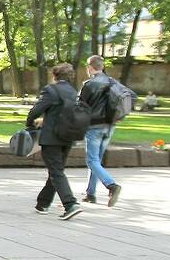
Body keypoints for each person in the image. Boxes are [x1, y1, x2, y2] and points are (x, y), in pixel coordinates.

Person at [28, 63, 82, 220]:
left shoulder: (51, 90)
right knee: (56, 170)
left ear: (55, 76)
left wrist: (30, 123)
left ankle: (70, 204)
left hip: (52, 138)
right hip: (68, 136)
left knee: (56, 171)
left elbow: (36, 110)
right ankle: (43, 203)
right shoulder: (73, 92)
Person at [78, 55, 121, 207]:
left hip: (94, 127)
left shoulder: (89, 85)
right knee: (97, 161)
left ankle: (112, 185)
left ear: (90, 67)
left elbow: (80, 107)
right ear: (102, 67)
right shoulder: (113, 82)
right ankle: (91, 193)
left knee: (92, 160)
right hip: (110, 126)